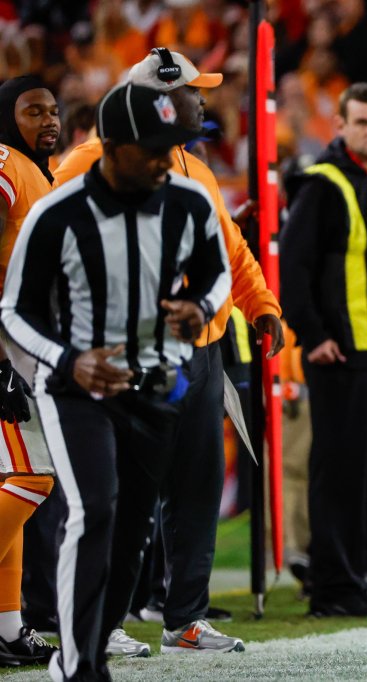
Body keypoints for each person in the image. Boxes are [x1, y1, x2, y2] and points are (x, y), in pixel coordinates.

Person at [52, 48, 283, 656]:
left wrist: (259, 303)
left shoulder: (194, 164)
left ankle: (185, 617)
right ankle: (102, 624)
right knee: (120, 491)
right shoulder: (87, 161)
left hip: (200, 349)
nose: (204, 102)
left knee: (197, 485)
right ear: (158, 97)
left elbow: (229, 248)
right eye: (193, 93)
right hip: (125, 349)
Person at [1, 81, 231, 681]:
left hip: (154, 382)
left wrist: (202, 308)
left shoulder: (189, 200)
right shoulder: (60, 210)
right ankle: (78, 667)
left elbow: (219, 275)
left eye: (173, 145)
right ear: (115, 144)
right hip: (76, 386)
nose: (167, 159)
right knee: (95, 507)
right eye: (155, 146)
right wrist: (68, 356)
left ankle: (91, 644)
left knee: (131, 528)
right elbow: (14, 310)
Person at [280, 82, 367, 618]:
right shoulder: (321, 183)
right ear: (339, 126)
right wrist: (314, 337)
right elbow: (294, 268)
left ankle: (357, 578)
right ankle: (332, 585)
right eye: (362, 122)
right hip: (340, 353)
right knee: (339, 472)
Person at [0, 75, 61, 668]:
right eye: (31, 110)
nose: (47, 119)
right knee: (32, 475)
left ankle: (9, 626)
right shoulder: (4, 162)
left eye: (52, 110)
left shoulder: (39, 170)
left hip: (30, 341)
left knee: (13, 476)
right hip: (7, 344)